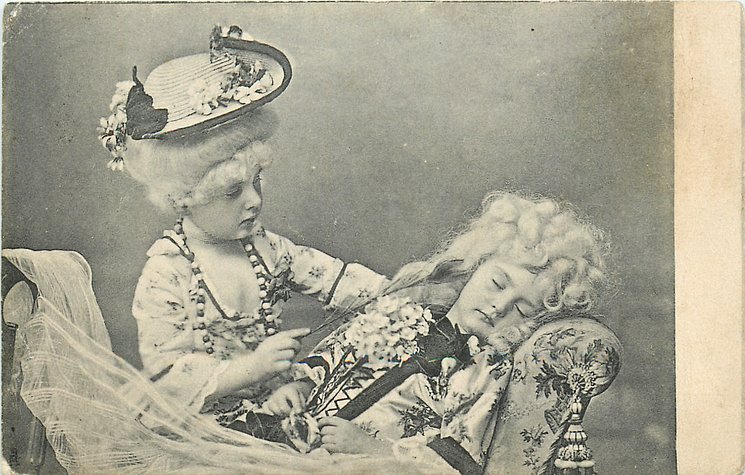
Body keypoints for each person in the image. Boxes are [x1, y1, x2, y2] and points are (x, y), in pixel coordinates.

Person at [96, 25, 388, 428]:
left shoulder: (267, 249)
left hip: (275, 407)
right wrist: (252, 369)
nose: (254, 201)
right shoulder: (167, 273)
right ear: (184, 197)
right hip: (203, 424)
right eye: (233, 191)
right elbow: (168, 377)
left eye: (257, 182)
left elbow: (342, 282)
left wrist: (407, 293)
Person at [248, 191, 610, 474]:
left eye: (521, 309)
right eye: (498, 283)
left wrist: (371, 449)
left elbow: (455, 461)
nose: (499, 306)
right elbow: (336, 356)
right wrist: (298, 389)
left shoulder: (486, 370)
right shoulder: (403, 311)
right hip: (292, 439)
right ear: (475, 266)